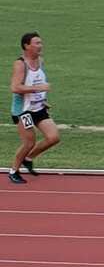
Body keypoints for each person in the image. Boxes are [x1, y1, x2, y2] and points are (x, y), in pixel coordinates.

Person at [10, 32, 60, 184]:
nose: (40, 46)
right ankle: (14, 171)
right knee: (29, 142)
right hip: (23, 111)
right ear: (27, 45)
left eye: (40, 43)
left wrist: (43, 99)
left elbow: (38, 79)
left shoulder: (40, 60)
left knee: (53, 138)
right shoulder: (20, 64)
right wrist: (39, 88)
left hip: (39, 107)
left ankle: (28, 158)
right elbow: (15, 87)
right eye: (37, 43)